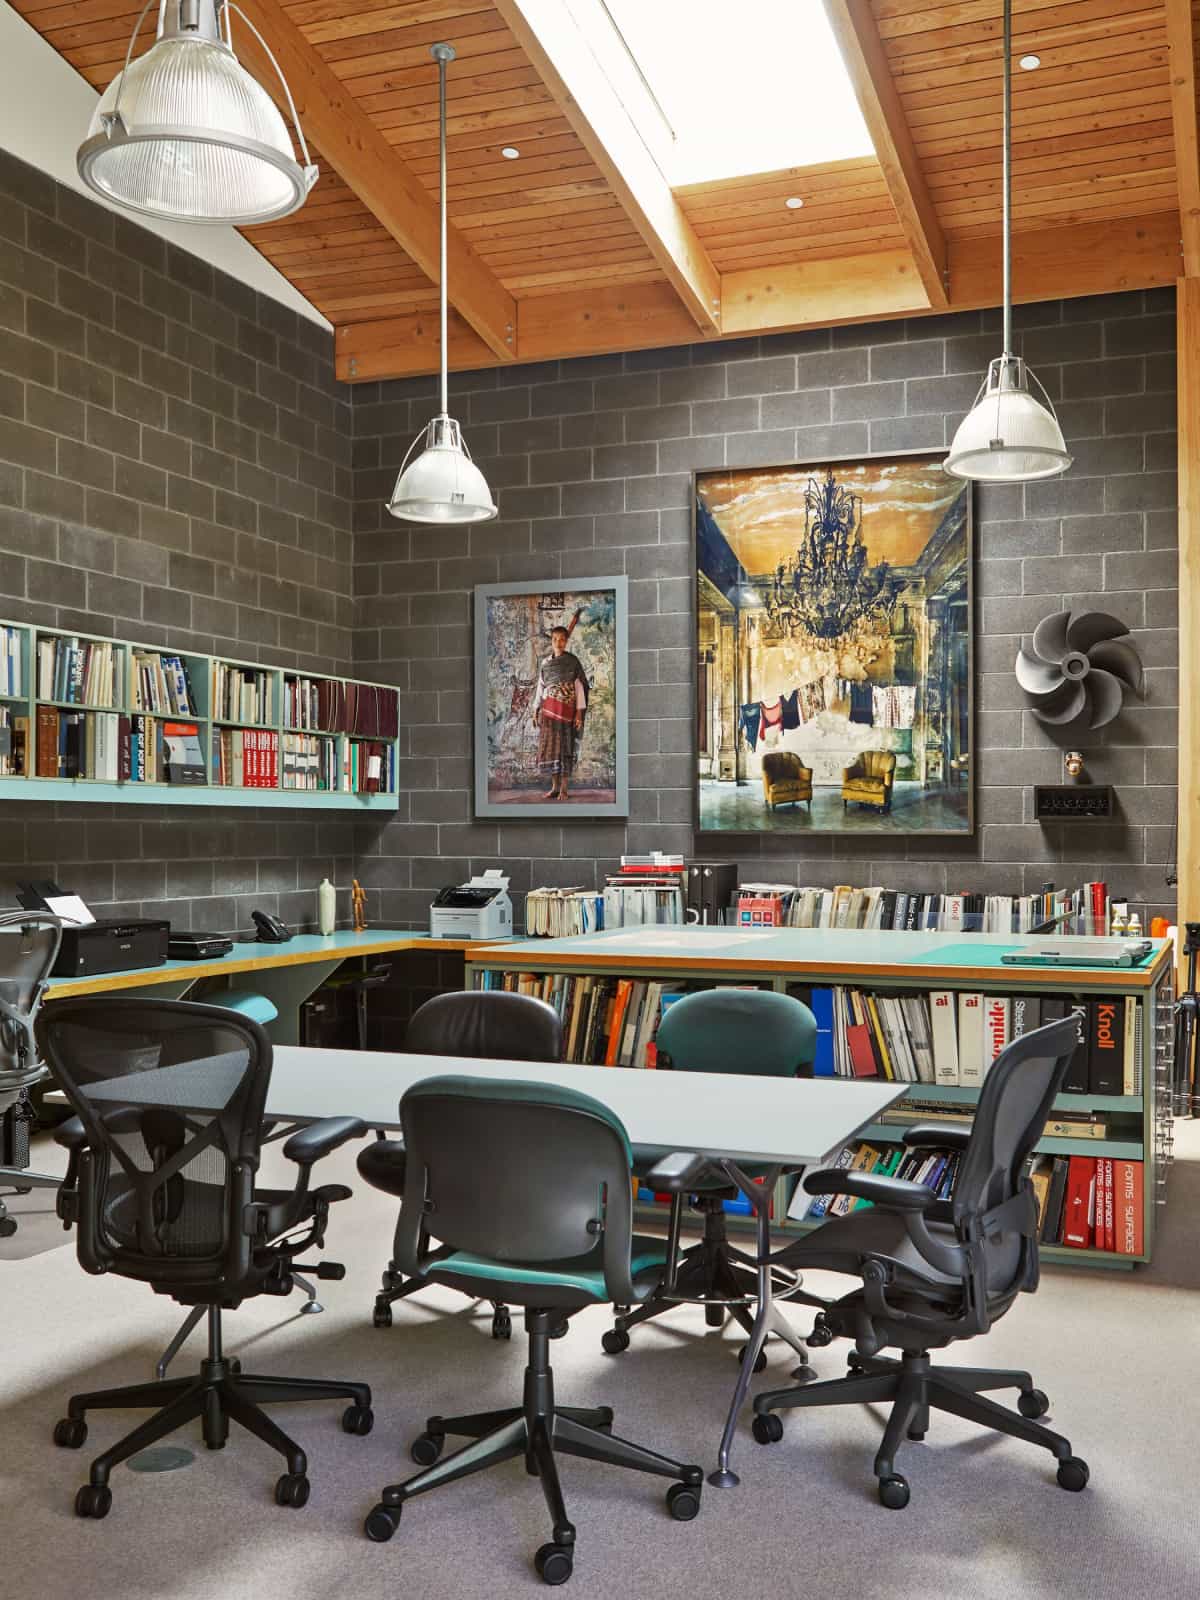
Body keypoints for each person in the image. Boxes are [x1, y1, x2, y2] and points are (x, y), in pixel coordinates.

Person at [531, 609, 588, 800]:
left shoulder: (572, 662)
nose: (558, 642)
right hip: (549, 712)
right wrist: (535, 709)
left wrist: (579, 713)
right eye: (555, 639)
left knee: (565, 749)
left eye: (562, 639)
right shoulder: (546, 664)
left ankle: (564, 789)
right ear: (551, 641)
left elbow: (579, 688)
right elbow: (540, 688)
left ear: (566, 641)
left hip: (567, 713)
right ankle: (554, 788)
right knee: (551, 750)